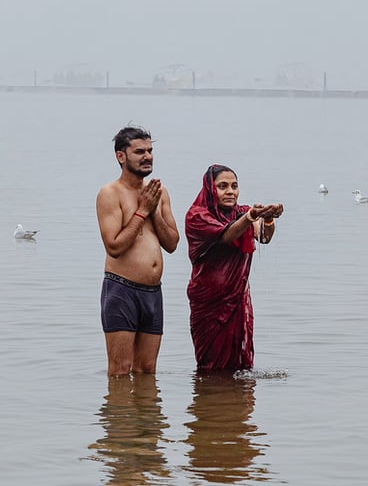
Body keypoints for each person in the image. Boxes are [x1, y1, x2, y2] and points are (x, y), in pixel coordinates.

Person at [96, 126, 179, 376]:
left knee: (147, 370)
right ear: (121, 156)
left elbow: (173, 243)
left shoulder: (158, 192)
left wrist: (154, 209)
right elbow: (114, 247)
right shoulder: (110, 194)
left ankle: (145, 416)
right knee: (120, 370)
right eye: (139, 151)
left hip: (153, 292)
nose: (148, 156)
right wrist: (142, 211)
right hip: (122, 289)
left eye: (150, 151)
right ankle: (120, 415)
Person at [185, 164, 284, 372]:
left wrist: (267, 218)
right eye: (222, 186)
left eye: (234, 186)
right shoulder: (197, 216)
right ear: (210, 189)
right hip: (209, 304)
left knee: (241, 366)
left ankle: (235, 402)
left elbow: (264, 237)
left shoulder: (241, 212)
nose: (230, 191)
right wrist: (250, 217)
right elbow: (226, 235)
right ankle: (210, 400)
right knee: (210, 367)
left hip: (237, 300)